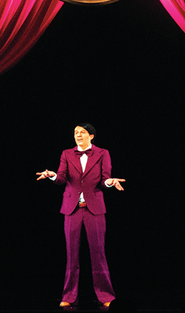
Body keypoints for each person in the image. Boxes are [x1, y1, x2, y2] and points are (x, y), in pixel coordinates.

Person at [36, 123, 126, 308]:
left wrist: (110, 182)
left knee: (98, 253)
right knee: (71, 254)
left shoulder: (103, 153)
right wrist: (52, 175)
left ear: (91, 136)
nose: (78, 135)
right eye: (76, 132)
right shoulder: (66, 154)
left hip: (94, 208)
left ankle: (106, 295)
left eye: (82, 132)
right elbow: (61, 178)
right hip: (72, 208)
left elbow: (104, 179)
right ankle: (69, 296)